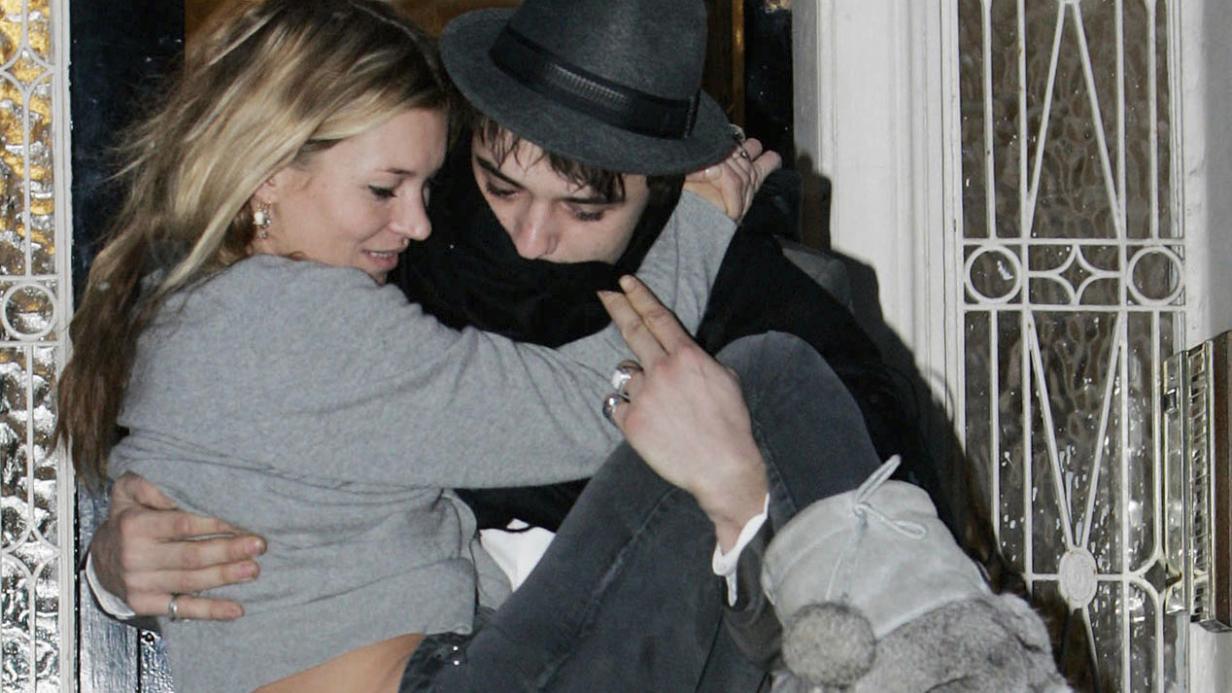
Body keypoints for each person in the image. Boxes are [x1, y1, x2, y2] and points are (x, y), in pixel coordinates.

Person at [89, 0, 926, 625]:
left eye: (584, 208)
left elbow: (900, 587)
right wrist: (115, 565)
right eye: (502, 186)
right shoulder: (390, 245)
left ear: (665, 189)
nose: (530, 236)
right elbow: (229, 465)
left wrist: (743, 497)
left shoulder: (766, 311)